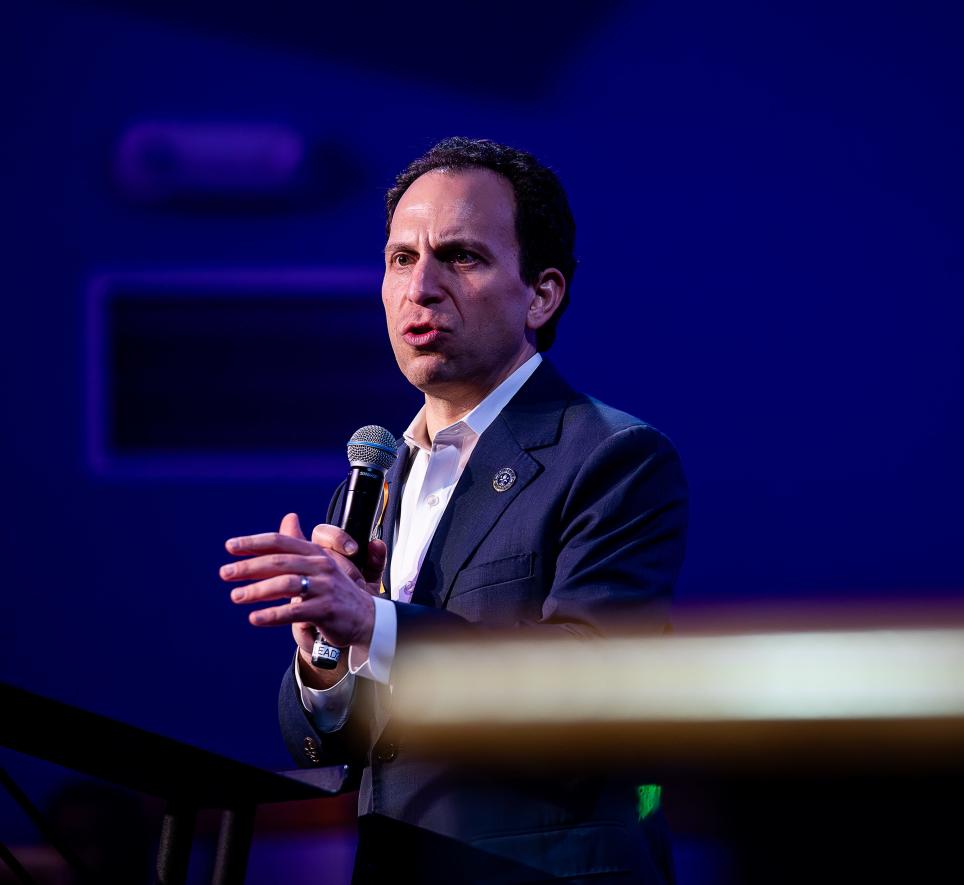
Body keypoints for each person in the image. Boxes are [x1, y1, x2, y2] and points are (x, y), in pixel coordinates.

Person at [220, 137, 689, 883]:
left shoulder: (612, 454)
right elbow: (336, 745)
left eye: (461, 256)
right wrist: (325, 655)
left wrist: (374, 622)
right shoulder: (379, 472)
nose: (421, 286)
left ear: (542, 293)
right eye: (401, 258)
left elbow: (593, 684)